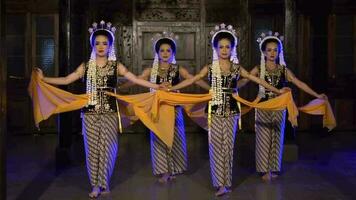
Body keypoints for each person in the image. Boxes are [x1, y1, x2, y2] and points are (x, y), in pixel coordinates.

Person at [36, 20, 160, 198]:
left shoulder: (116, 66)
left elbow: (136, 79)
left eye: (104, 43)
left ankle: (104, 182)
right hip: (89, 114)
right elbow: (66, 80)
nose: (101, 46)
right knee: (92, 150)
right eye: (97, 43)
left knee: (108, 149)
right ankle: (95, 185)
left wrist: (156, 87)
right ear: (93, 45)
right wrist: (43, 79)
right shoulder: (86, 66)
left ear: (110, 46)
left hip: (110, 113)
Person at [169, 24, 286, 196]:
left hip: (231, 112)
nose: (224, 50)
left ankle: (227, 182)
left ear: (232, 49)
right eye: (221, 47)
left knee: (228, 148)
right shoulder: (209, 68)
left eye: (227, 47)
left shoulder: (237, 68)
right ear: (215, 48)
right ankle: (220, 184)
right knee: (215, 146)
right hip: (214, 112)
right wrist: (170, 89)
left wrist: (278, 91)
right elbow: (192, 80)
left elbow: (258, 80)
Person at [119, 31, 209, 183]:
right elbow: (136, 80)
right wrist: (120, 88)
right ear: (157, 52)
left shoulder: (178, 69)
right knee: (159, 138)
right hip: (157, 109)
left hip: (174, 108)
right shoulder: (150, 70)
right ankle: (163, 171)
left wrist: (210, 88)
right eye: (162, 50)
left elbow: (194, 79)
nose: (165, 53)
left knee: (175, 138)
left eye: (168, 50)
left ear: (173, 52)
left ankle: (174, 169)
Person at [237, 31, 327, 181]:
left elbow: (299, 83)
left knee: (277, 138)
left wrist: (317, 95)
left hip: (279, 108)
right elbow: (244, 81)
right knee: (263, 139)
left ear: (279, 52)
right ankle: (264, 171)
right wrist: (230, 87)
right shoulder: (258, 69)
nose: (272, 53)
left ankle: (273, 169)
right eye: (269, 50)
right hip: (263, 106)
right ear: (264, 52)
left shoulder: (283, 70)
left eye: (275, 50)